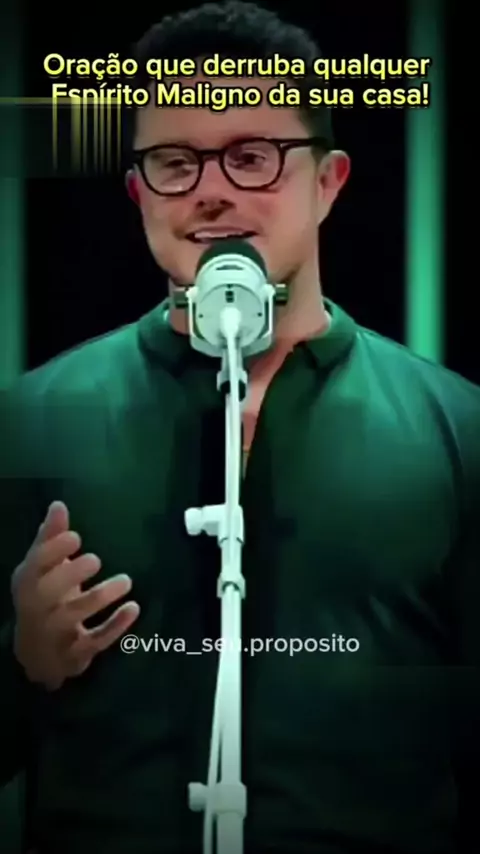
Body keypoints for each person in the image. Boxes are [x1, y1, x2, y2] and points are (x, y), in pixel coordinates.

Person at [0, 2, 478, 853]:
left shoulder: (458, 430)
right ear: (138, 192)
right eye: (175, 162)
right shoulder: (27, 422)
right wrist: (18, 664)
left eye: (253, 157)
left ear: (328, 181)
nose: (212, 190)